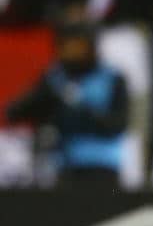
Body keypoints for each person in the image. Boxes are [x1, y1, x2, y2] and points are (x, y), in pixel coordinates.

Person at [6, 18, 129, 190]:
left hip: (102, 166)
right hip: (64, 167)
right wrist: (47, 100)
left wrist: (81, 110)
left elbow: (118, 124)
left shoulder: (111, 78)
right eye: (65, 44)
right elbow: (15, 111)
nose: (70, 50)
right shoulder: (54, 77)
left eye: (76, 44)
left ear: (90, 45)